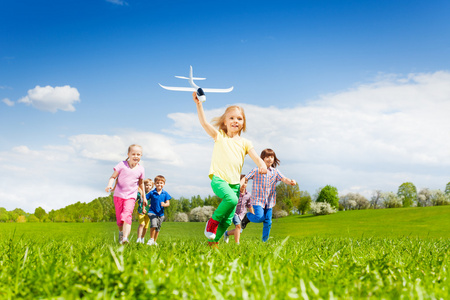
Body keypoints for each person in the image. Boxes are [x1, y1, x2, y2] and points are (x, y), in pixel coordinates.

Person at [193, 91, 267, 247]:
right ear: (225, 122)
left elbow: (255, 157)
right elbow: (205, 123)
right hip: (219, 179)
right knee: (232, 200)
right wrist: (199, 105)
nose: (235, 121)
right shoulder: (219, 136)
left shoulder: (245, 142)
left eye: (239, 119)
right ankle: (212, 222)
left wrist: (261, 164)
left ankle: (212, 243)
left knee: (228, 220)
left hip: (234, 185)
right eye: (231, 118)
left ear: (243, 123)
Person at [240, 148, 297, 242]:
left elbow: (284, 179)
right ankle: (247, 217)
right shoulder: (256, 170)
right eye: (267, 157)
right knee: (259, 217)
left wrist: (291, 182)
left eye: (271, 157)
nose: (270, 159)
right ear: (262, 159)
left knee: (268, 222)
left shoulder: (275, 172)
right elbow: (246, 177)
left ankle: (264, 242)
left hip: (269, 201)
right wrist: (239, 184)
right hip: (258, 200)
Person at [105, 144, 146, 245]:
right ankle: (121, 232)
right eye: (133, 154)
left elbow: (141, 184)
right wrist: (109, 185)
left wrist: (144, 197)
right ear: (128, 154)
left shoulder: (141, 169)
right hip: (118, 195)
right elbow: (112, 177)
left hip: (131, 196)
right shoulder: (122, 165)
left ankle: (125, 238)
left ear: (141, 155)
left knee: (127, 215)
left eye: (138, 154)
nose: (136, 156)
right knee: (120, 220)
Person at [223, 175, 254, 244]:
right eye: (242, 182)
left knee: (239, 230)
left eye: (245, 182)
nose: (244, 184)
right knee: (238, 226)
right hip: (234, 212)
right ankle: (237, 243)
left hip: (242, 214)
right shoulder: (235, 192)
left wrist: (253, 214)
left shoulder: (248, 195)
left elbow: (249, 205)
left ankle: (226, 233)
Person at [146, 175, 171, 246]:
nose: (159, 184)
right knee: (153, 224)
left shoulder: (165, 193)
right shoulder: (152, 192)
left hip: (160, 214)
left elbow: (168, 203)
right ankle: (151, 239)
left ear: (164, 184)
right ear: (154, 184)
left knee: (157, 228)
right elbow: (145, 199)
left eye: (161, 183)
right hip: (152, 212)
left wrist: (164, 204)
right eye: (157, 183)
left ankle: (154, 241)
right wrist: (144, 206)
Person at [136, 178, 154, 244]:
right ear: (143, 185)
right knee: (142, 224)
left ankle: (142, 238)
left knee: (146, 227)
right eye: (146, 185)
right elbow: (134, 199)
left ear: (152, 186)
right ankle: (138, 239)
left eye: (149, 185)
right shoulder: (140, 193)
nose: (148, 186)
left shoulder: (152, 194)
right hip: (141, 211)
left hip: (149, 212)